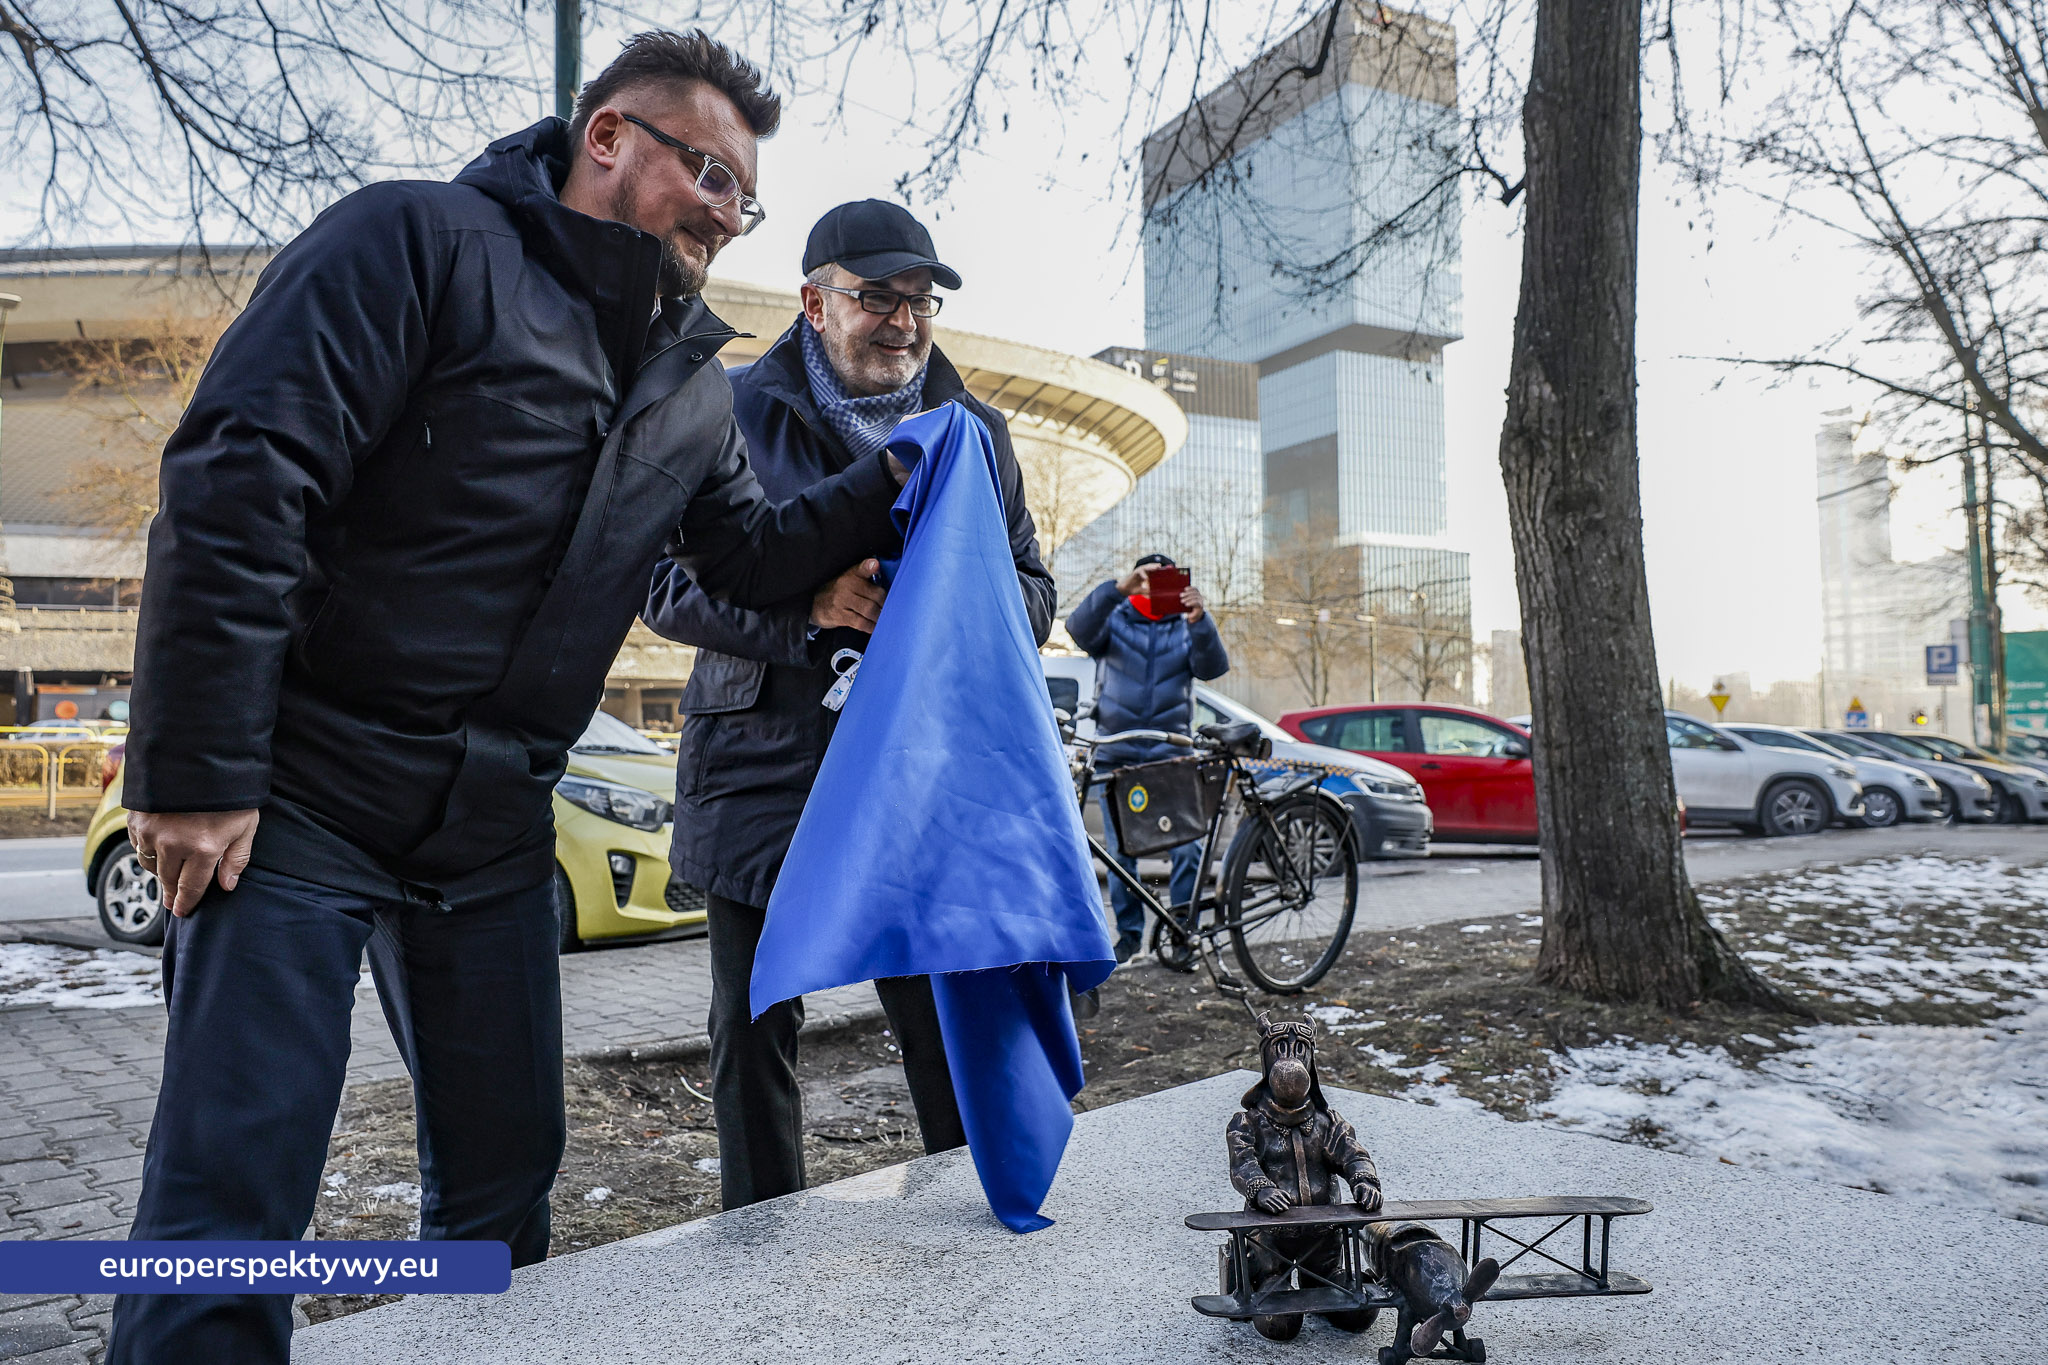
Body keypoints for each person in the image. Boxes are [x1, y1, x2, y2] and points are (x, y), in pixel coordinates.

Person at [110, 32, 908, 1364]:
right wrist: (193, 767)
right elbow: (245, 474)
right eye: (708, 171)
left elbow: (752, 558)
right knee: (229, 1199)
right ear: (608, 138)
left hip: (489, 835)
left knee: (498, 1196)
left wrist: (897, 473)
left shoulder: (691, 393)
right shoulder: (414, 243)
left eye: (743, 198)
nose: (725, 213)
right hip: (306, 797)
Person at [643, 199, 1056, 1209]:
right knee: (753, 1027)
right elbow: (660, 585)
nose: (903, 323)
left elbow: (1034, 596)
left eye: (920, 302)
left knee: (941, 1027)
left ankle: (964, 1224)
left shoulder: (974, 435)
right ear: (812, 301)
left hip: (918, 779)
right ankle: (756, 1245)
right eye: (876, 298)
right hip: (760, 767)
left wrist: (947, 600)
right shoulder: (729, 405)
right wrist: (812, 610)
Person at [1064, 553, 1229, 961]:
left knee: (1187, 847)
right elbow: (1077, 630)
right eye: (1148, 579)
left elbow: (1212, 668)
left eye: (1165, 579)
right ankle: (1131, 936)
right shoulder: (1114, 618)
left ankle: (1181, 931)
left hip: (1170, 755)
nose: (1155, 586)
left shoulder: (1186, 627)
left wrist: (1200, 620)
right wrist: (1119, 588)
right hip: (1118, 754)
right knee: (1120, 853)